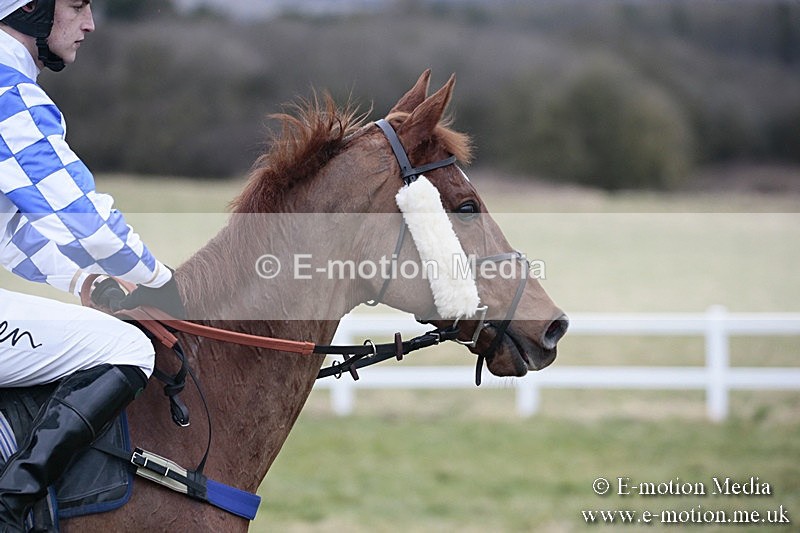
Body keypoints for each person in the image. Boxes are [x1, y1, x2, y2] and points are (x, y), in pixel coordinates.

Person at [0, 1, 184, 529]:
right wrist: (163, 283)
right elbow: (81, 216)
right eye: (77, 5)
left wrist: (82, 278)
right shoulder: (9, 96)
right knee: (125, 345)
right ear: (30, 8)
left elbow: (12, 232)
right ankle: (8, 509)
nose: (90, 23)